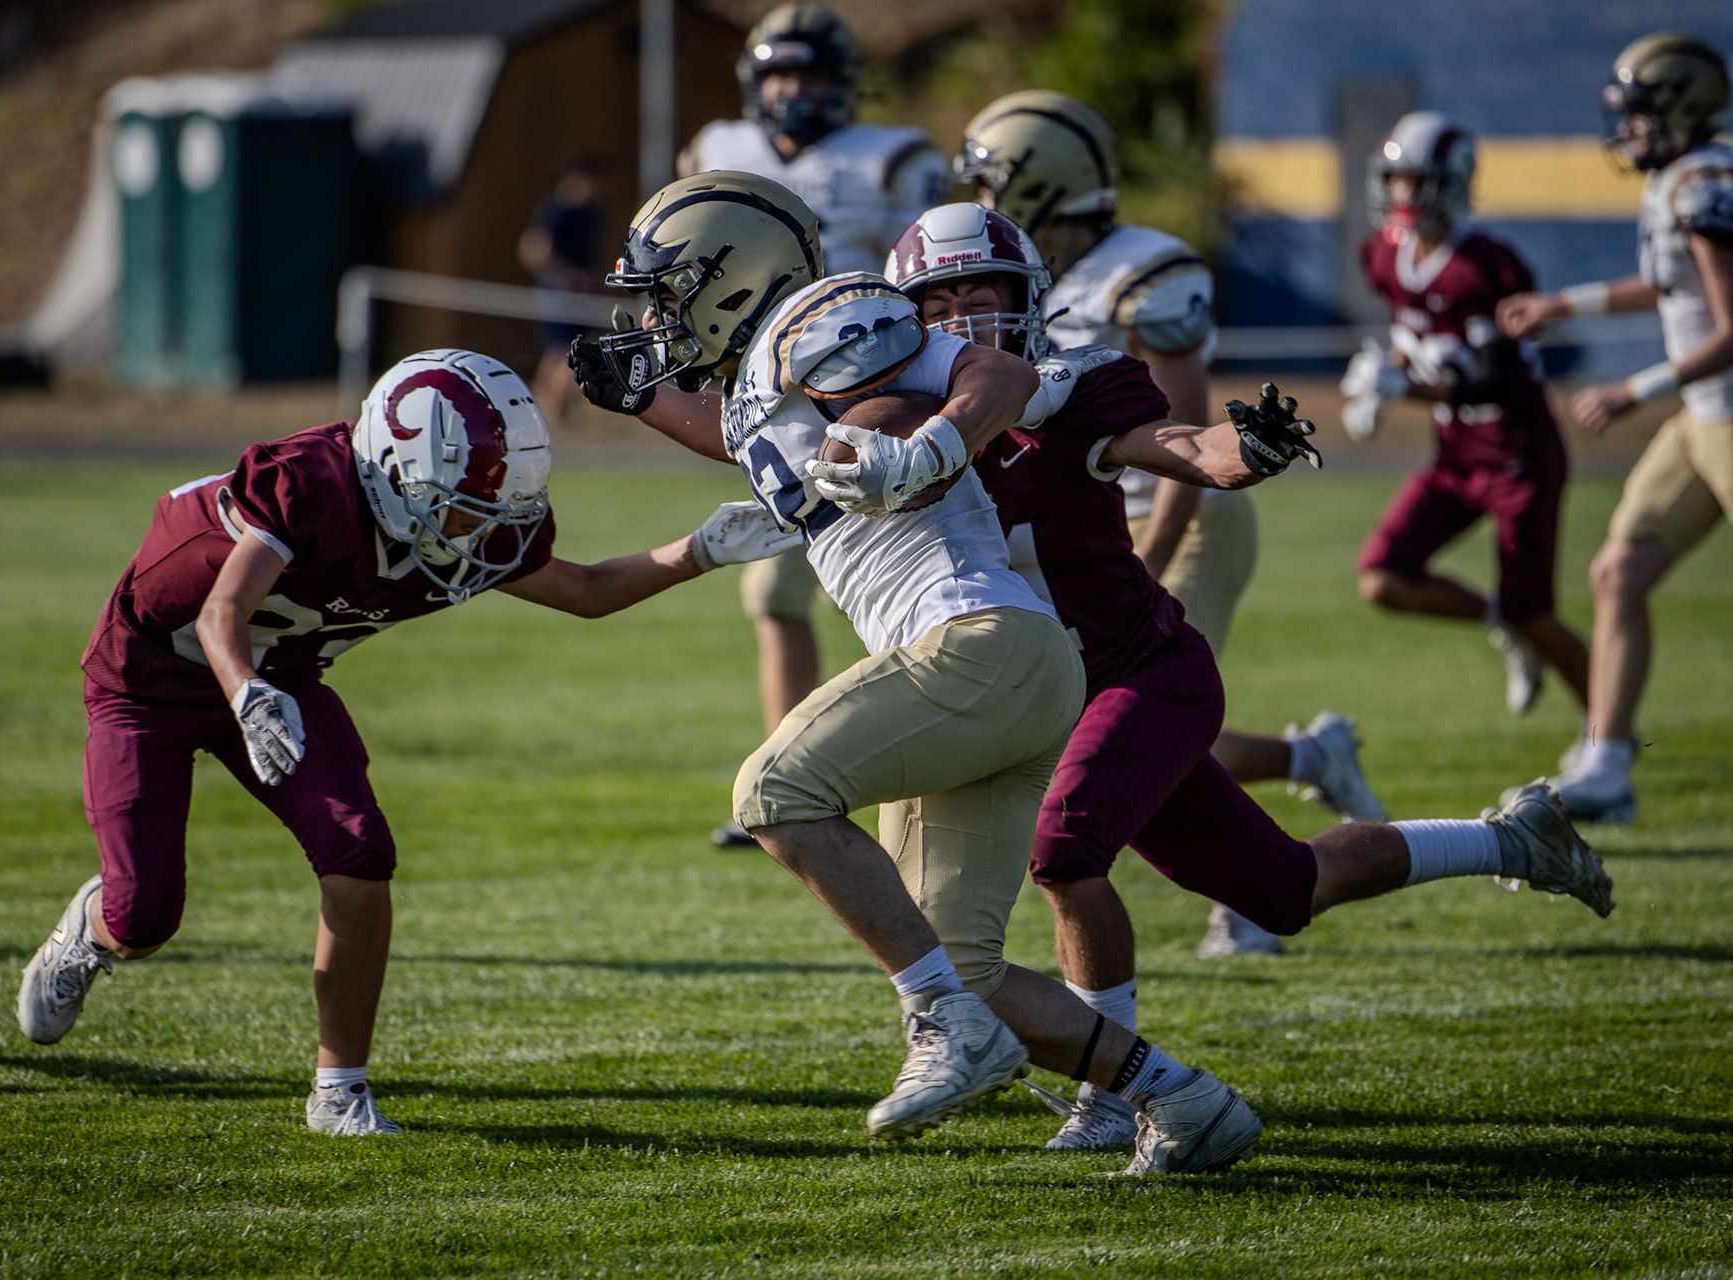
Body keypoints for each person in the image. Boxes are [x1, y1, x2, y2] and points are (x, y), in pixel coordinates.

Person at [570, 170, 1346, 1174]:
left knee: (774, 792)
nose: (657, 319)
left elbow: (1001, 378)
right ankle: (1182, 1099)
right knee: (960, 963)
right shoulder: (764, 375)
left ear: (730, 273)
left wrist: (930, 447)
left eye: (669, 292)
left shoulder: (823, 313)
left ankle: (942, 1022)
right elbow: (745, 440)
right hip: (990, 666)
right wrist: (644, 401)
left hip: (980, 640)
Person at [883, 202, 1616, 1154]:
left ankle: (1110, 1095)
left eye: (983, 296)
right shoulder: (896, 418)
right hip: (1045, 696)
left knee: (1064, 852)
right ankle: (1510, 840)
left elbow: (1183, 447)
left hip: (1142, 675)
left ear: (1027, 301)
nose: (965, 320)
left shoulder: (1073, 389)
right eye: (940, 304)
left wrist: (1249, 450)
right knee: (1287, 889)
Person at [12, 348, 800, 1136]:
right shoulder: (316, 485)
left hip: (283, 673)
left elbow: (582, 590)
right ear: (398, 475)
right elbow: (223, 612)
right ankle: (92, 929)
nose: (486, 531)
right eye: (467, 509)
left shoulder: (458, 517)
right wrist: (244, 691)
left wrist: (698, 550)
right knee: (143, 917)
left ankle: (338, 1091)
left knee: (360, 854)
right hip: (148, 680)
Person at [954, 89, 1383, 959]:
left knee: (1153, 718)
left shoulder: (1145, 267)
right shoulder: (1024, 270)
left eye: (994, 180)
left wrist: (1150, 552)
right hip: (1089, 524)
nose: (985, 198)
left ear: (1041, 178)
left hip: (1178, 516)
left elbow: (1185, 432)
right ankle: (1308, 764)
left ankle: (1249, 897)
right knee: (1129, 732)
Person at [678, 4, 951, 847]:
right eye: (780, 75)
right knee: (774, 592)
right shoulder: (718, 148)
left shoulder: (894, 158)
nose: (793, 92)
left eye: (810, 75)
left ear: (844, 84)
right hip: (771, 397)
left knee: (903, 597)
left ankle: (892, 771)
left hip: (872, 395)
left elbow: (928, 272)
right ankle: (788, 769)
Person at [1496, 33, 1733, 824]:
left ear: (1682, 108)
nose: (1627, 128)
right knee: (1617, 573)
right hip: (1706, 419)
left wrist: (1635, 390)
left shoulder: (1706, 185)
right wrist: (1565, 304)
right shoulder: (1678, 179)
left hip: (1724, 416)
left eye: (1639, 113)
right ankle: (1608, 762)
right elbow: (1668, 284)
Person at [1340, 112, 1589, 723]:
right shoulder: (1385, 254)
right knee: (1382, 577)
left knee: (1536, 612)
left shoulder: (1484, 267)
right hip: (1456, 458)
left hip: (1517, 457)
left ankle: (1609, 736)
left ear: (1450, 184)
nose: (1403, 193)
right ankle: (1501, 622)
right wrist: (1380, 385)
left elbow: (1498, 382)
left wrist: (1403, 388)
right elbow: (1415, 334)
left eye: (1417, 181)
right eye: (1395, 179)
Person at [517, 156, 606, 427]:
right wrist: (567, 276)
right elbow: (533, 249)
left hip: (582, 296)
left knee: (582, 348)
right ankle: (546, 413)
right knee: (562, 353)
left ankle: (543, 411)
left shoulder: (592, 213)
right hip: (559, 295)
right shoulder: (557, 211)